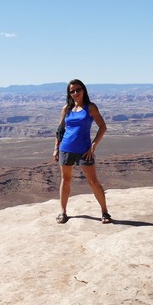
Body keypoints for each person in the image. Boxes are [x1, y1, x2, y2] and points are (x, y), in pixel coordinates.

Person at [53, 79, 112, 224]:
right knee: (65, 180)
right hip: (66, 148)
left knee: (93, 181)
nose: (75, 93)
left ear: (83, 90)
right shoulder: (66, 108)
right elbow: (60, 130)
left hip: (84, 150)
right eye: (71, 91)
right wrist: (56, 148)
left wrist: (93, 146)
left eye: (77, 90)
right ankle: (63, 212)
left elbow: (102, 127)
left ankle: (105, 212)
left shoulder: (90, 107)